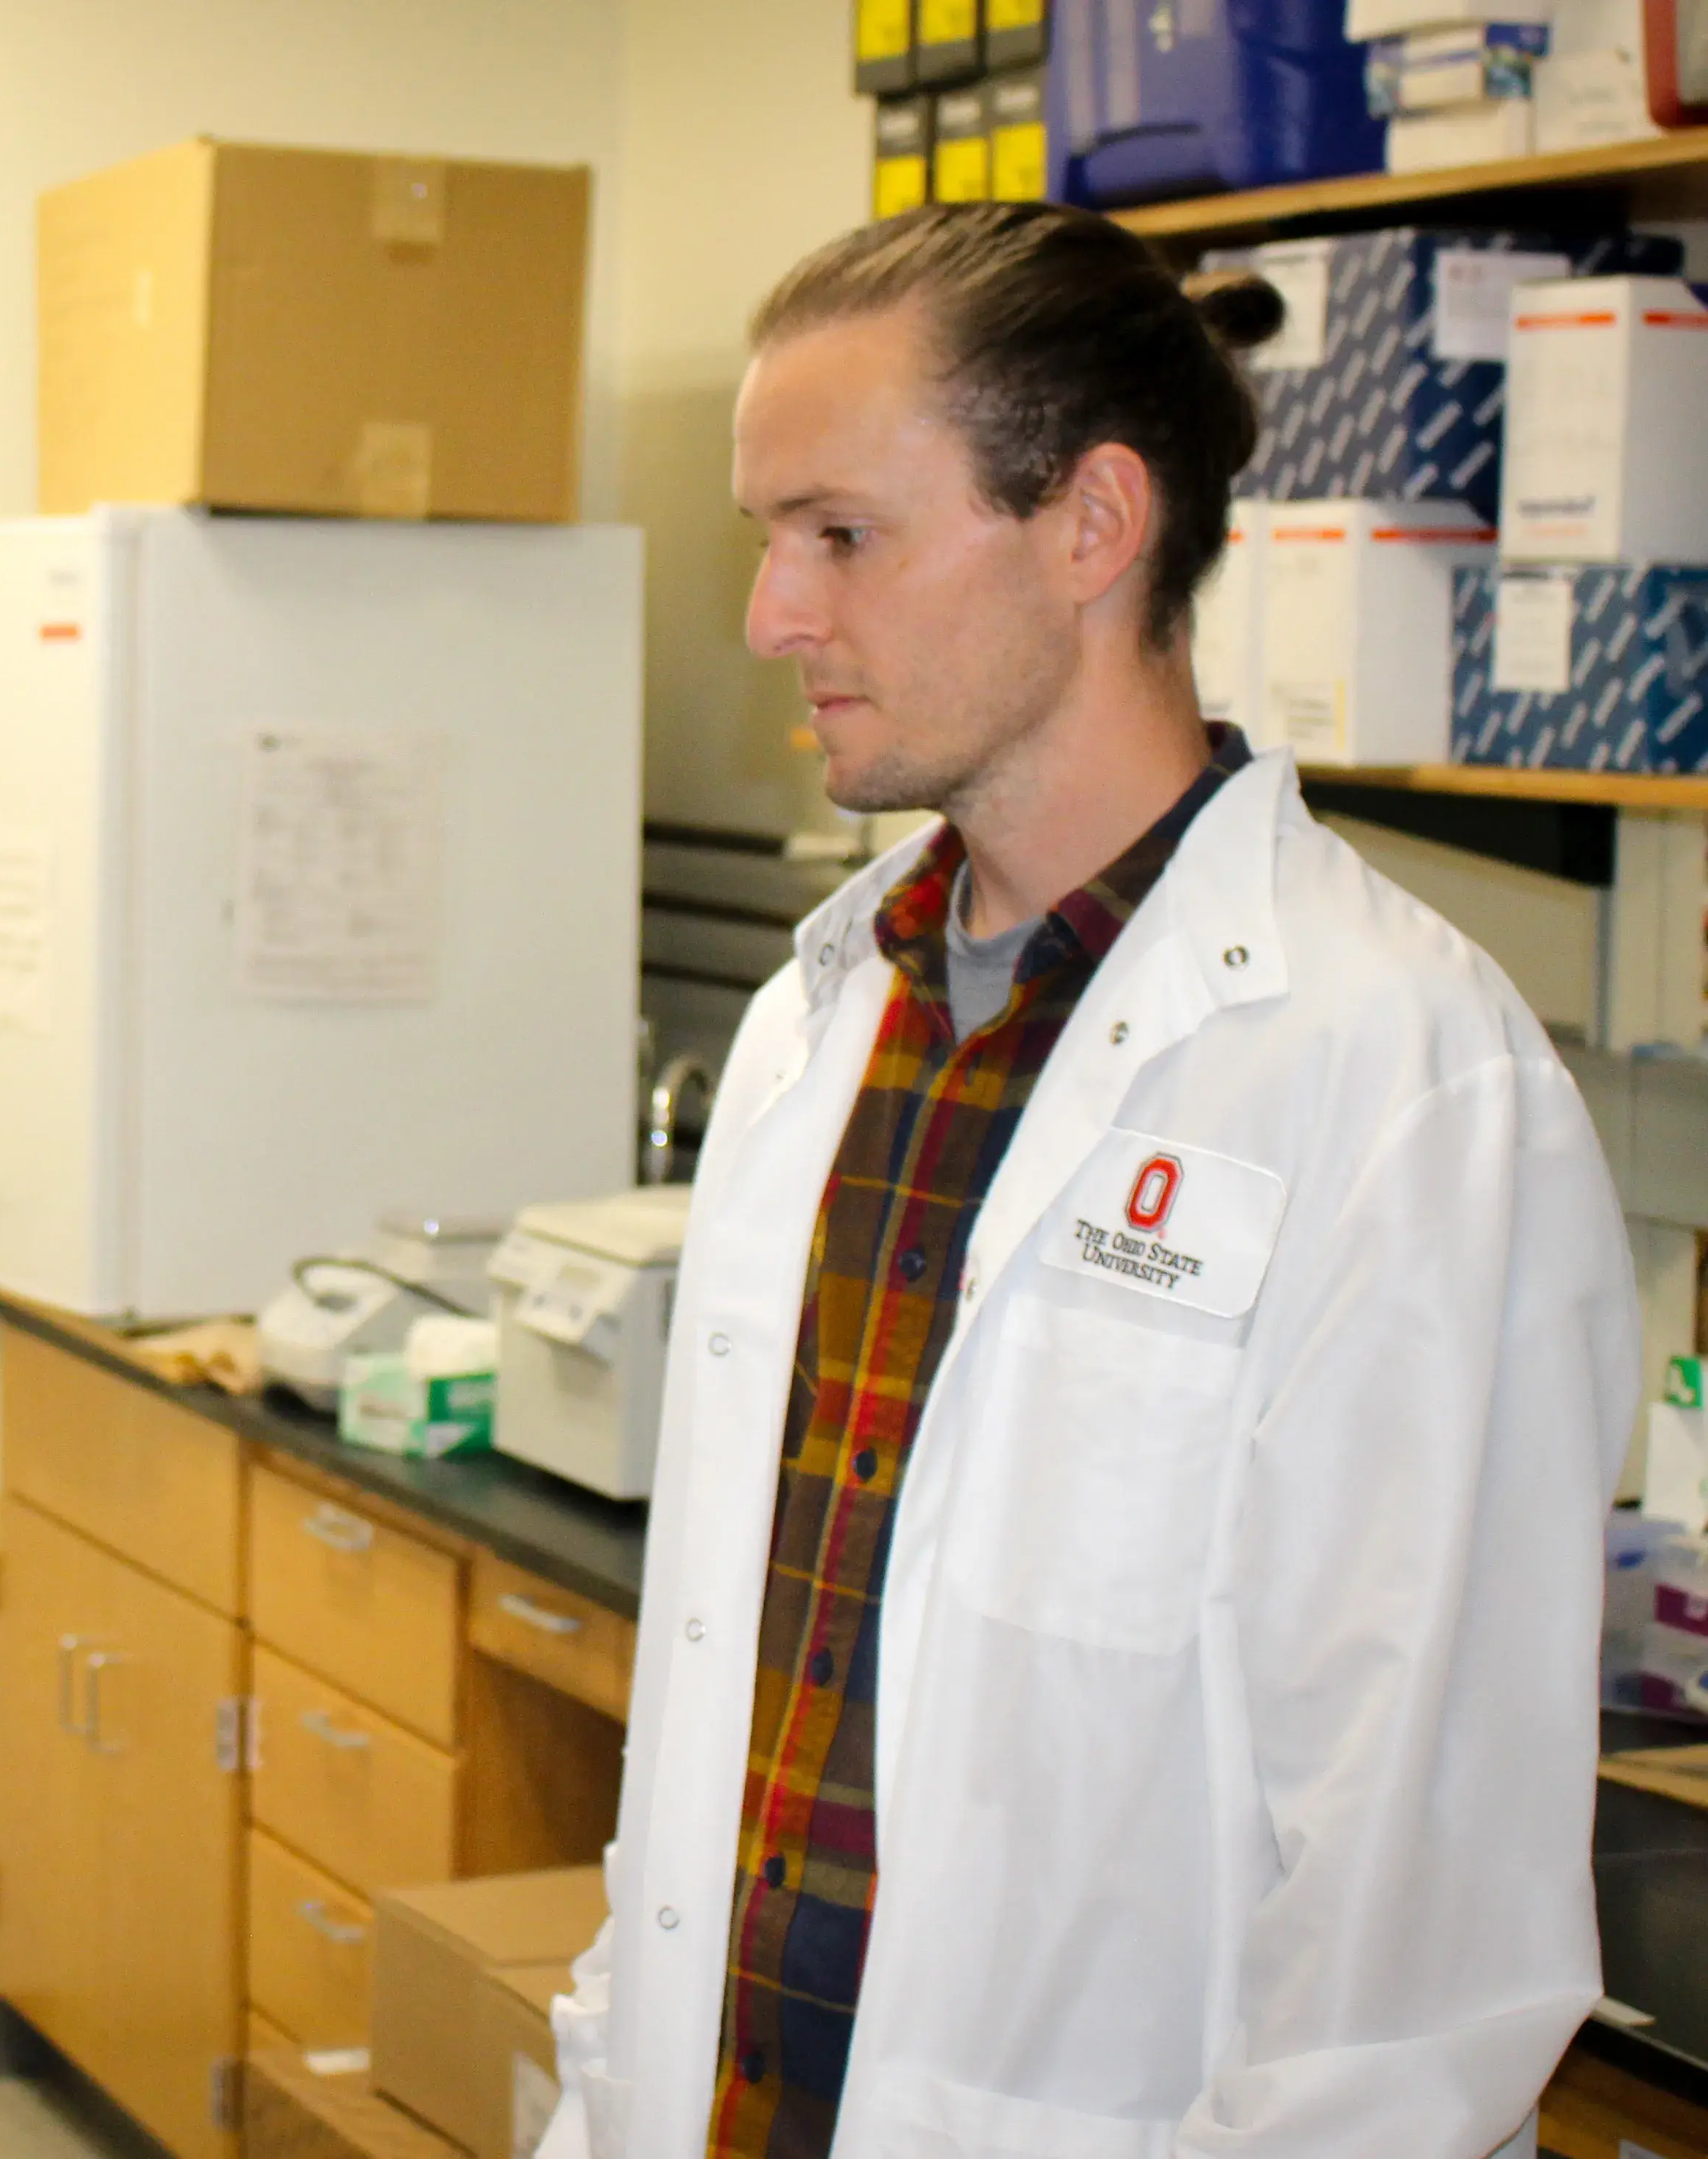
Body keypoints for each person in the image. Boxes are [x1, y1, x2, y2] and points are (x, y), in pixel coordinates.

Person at [540, 205, 1639, 2159]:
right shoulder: (824, 1025)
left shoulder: (1388, 1078)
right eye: (762, 539)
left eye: (838, 535)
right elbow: (724, 1698)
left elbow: (1409, 1941)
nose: (769, 616)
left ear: (1091, 523)